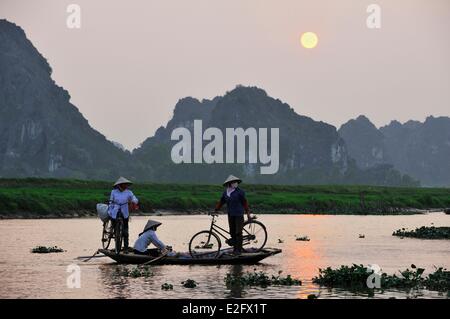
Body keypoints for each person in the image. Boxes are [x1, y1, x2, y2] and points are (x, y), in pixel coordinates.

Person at [214, 175, 251, 255]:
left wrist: (248, 213)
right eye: (234, 182)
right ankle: (235, 249)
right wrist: (216, 210)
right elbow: (221, 202)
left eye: (236, 182)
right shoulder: (226, 193)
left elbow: (244, 202)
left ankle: (239, 250)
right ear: (230, 184)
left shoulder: (240, 192)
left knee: (238, 232)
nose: (236, 183)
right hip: (230, 214)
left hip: (238, 214)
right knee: (232, 232)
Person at [108, 177, 139, 251]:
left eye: (126, 185)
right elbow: (111, 201)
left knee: (125, 231)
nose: (125, 186)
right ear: (120, 185)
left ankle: (125, 248)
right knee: (115, 225)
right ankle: (116, 238)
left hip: (124, 210)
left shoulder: (129, 192)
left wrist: (134, 201)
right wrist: (110, 208)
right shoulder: (114, 192)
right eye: (124, 185)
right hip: (115, 209)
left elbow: (134, 198)